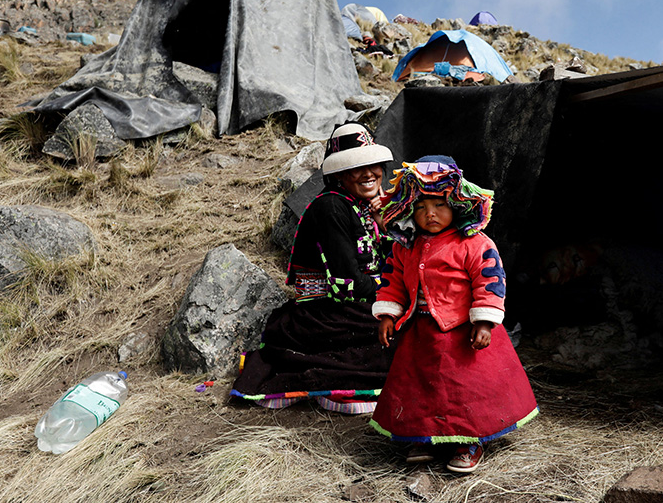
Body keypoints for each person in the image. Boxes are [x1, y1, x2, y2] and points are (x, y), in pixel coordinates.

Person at [370, 156, 538, 473]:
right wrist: (388, 315)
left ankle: (469, 441)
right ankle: (424, 437)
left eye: (438, 205)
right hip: (420, 332)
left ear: (457, 206)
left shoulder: (474, 244)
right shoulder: (404, 246)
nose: (429, 214)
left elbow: (490, 282)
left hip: (463, 332)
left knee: (465, 389)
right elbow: (392, 281)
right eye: (420, 207)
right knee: (421, 386)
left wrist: (485, 321)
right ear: (409, 210)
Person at [230, 123, 394, 413]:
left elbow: (389, 263)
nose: (369, 174)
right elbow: (348, 285)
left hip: (358, 303)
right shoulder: (331, 208)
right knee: (400, 335)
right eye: (356, 167)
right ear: (339, 175)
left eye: (373, 165)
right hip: (327, 312)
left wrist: (385, 225)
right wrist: (394, 296)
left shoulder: (364, 208)